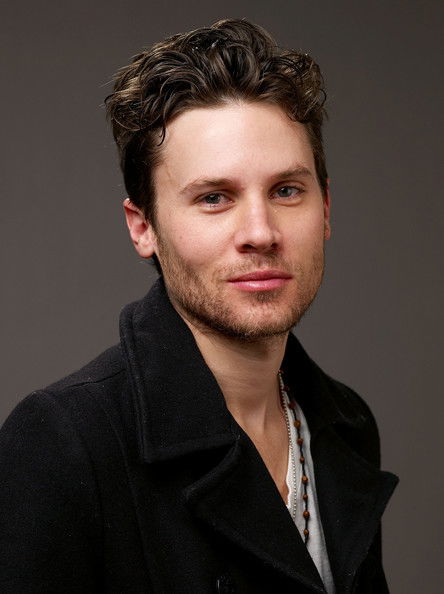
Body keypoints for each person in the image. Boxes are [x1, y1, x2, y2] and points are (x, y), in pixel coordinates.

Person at [0, 18, 398, 594]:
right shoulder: (64, 445)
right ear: (143, 227)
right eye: (214, 198)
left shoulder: (345, 426)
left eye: (287, 190)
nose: (260, 232)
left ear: (327, 208)